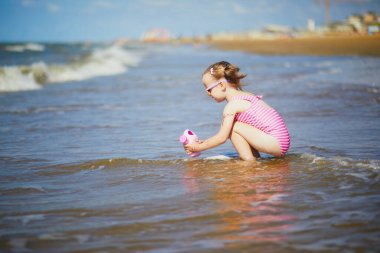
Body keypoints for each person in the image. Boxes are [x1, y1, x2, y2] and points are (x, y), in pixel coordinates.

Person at [184, 61, 290, 161]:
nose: (208, 93)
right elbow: (221, 135)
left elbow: (222, 137)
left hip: (276, 142)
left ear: (221, 85)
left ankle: (248, 161)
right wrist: (204, 143)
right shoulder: (246, 95)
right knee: (234, 125)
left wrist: (197, 148)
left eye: (208, 89)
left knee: (233, 127)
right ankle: (255, 158)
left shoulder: (232, 106)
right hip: (281, 140)